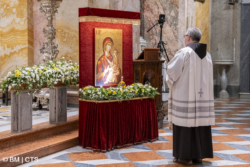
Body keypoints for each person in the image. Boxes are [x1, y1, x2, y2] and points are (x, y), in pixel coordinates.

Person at [166, 27, 215, 165]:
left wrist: (167, 76)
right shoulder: (207, 54)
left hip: (185, 97)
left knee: (185, 124)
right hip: (202, 98)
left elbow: (171, 72)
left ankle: (184, 156)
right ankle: (198, 156)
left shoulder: (184, 53)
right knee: (200, 124)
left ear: (188, 37)